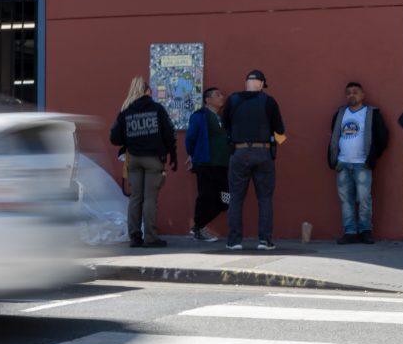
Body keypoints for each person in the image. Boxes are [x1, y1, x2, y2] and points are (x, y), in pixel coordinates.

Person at [110, 76, 177, 248]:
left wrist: (130, 139)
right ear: (147, 91)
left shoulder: (126, 111)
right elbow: (168, 134)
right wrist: (173, 155)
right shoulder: (157, 109)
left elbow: (114, 138)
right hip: (153, 160)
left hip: (133, 159)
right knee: (150, 199)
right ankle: (151, 237)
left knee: (135, 198)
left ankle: (134, 236)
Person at [222, 70, 285, 251]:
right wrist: (278, 144)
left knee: (235, 198)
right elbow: (280, 131)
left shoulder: (233, 100)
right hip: (263, 153)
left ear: (246, 83)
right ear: (261, 84)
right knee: (265, 198)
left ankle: (234, 241)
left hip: (238, 152)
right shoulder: (269, 101)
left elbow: (224, 125)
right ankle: (264, 241)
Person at [327, 82, 389, 245]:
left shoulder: (371, 113)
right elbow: (333, 135)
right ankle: (350, 232)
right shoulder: (340, 113)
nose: (351, 95)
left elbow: (382, 136)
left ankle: (365, 231)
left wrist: (373, 157)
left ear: (363, 95)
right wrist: (334, 160)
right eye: (348, 93)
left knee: (364, 198)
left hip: (362, 164)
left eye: (355, 92)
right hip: (343, 163)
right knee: (346, 200)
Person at [185, 87, 229, 242]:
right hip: (205, 163)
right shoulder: (200, 116)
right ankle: (199, 227)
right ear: (208, 99)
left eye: (221, 94)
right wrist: (193, 155)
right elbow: (191, 138)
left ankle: (199, 225)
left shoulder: (222, 118)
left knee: (226, 199)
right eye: (218, 95)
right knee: (206, 196)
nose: (221, 97)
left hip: (223, 164)